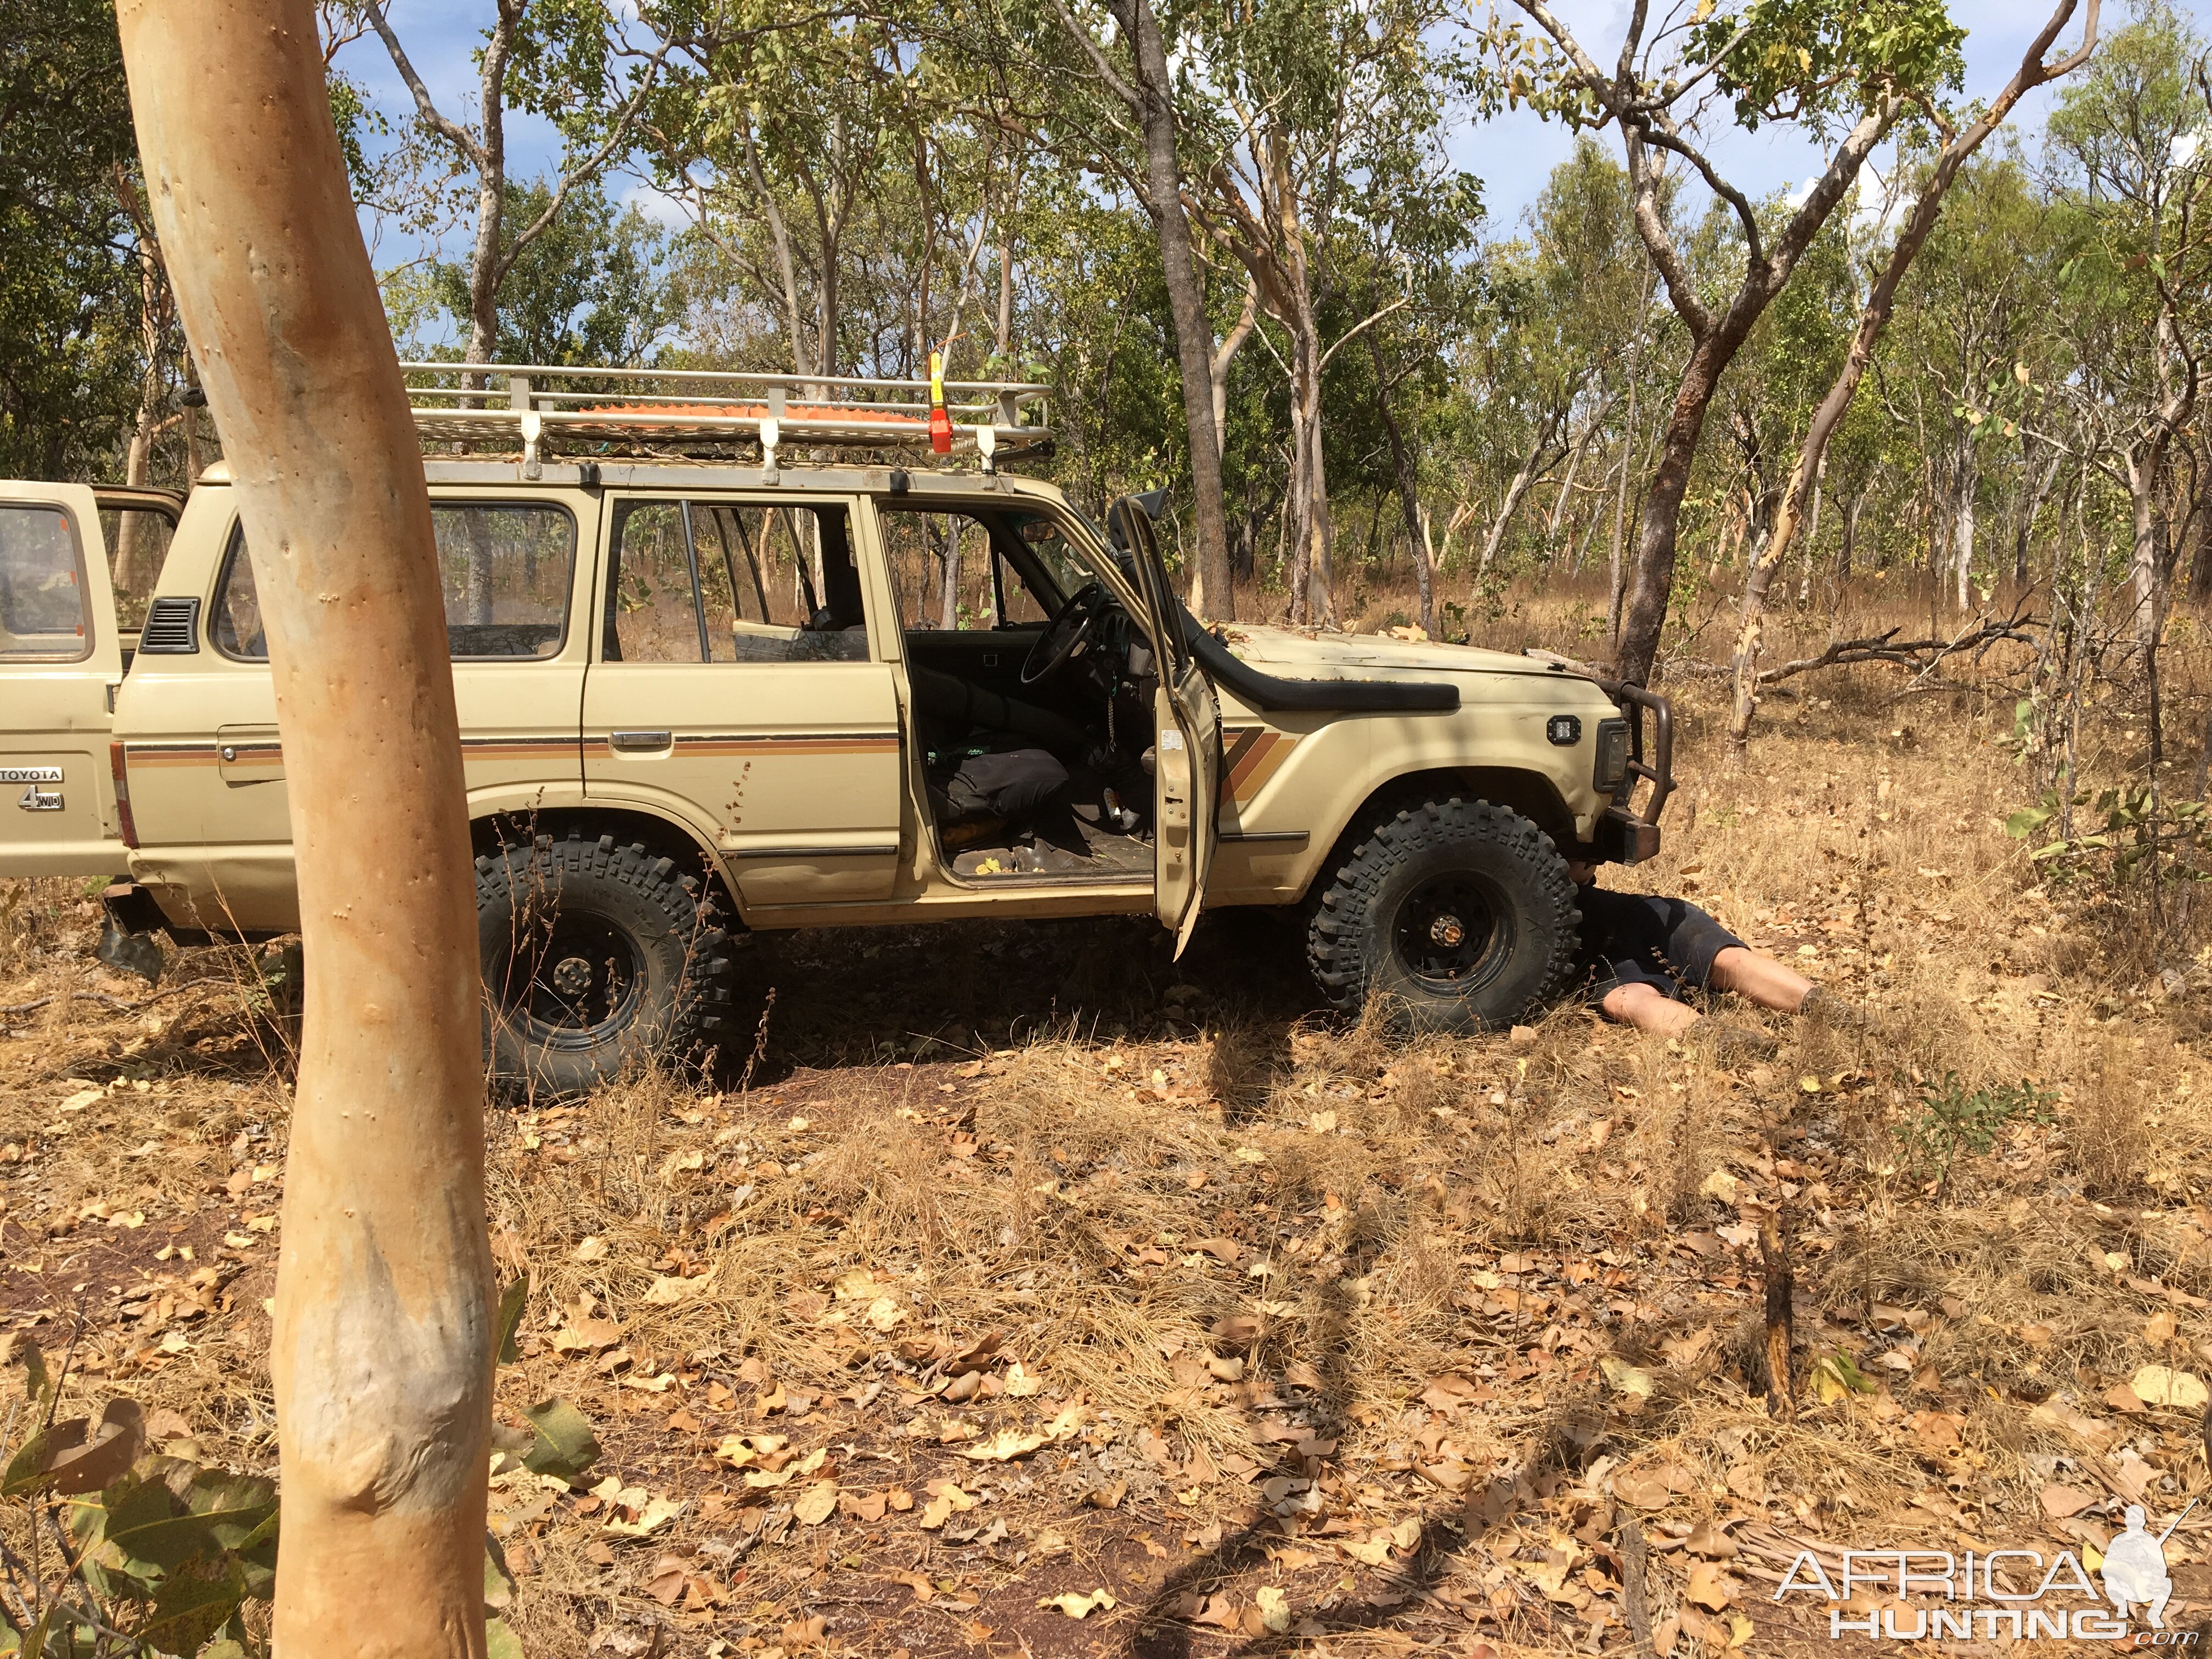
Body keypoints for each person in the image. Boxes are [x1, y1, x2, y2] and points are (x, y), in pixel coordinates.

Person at [1566, 860, 1827, 1037]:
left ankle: (1833, 1011)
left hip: (1639, 918)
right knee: (1623, 1001)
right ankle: (1722, 1041)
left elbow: (1580, 864)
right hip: (1599, 965)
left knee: (1726, 960)